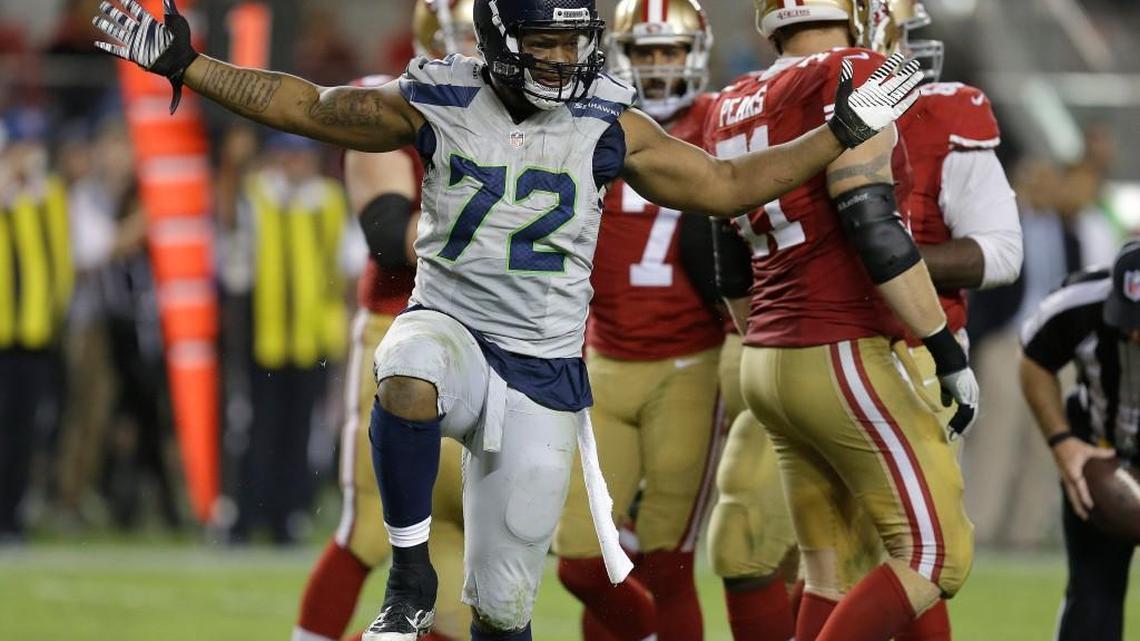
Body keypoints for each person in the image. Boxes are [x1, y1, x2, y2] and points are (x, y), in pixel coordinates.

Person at [92, 1, 926, 638]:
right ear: (498, 39)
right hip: (453, 326)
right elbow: (305, 104)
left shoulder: (604, 116)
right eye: (546, 43)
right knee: (408, 368)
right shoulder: (438, 96)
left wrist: (838, 135)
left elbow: (725, 186)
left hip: (546, 373)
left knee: (504, 607)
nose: (565, 59)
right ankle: (409, 575)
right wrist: (191, 65)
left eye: (573, 41)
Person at [703, 1, 983, 640]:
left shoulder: (732, 98)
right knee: (937, 555)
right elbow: (873, 225)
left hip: (766, 356)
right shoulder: (856, 71)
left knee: (826, 572)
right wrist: (945, 349)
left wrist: (768, 342)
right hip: (837, 347)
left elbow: (728, 265)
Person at [292, 2, 476, 640]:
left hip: (487, 343)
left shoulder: (530, 119)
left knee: (475, 549)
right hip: (396, 333)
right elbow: (385, 233)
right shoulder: (391, 103)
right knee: (370, 530)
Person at [551, 1, 723, 640]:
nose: (656, 65)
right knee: (584, 561)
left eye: (668, 51)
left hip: (691, 364)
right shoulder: (594, 120)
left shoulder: (720, 120)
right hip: (603, 360)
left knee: (667, 562)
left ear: (694, 53)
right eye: (645, 51)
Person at [227, 131, 350, 545]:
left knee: (299, 432)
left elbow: (345, 267)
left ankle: (286, 518)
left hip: (313, 335)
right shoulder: (256, 195)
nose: (296, 166)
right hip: (264, 334)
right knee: (258, 429)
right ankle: (246, 517)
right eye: (288, 158)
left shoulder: (329, 202)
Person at [1019, 241, 1140, 641]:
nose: (1137, 333)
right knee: (1093, 599)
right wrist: (1062, 442)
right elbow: (1035, 360)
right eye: (1129, 319)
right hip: (1101, 451)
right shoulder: (1080, 303)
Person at [0, 107, 73, 542]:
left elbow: (61, 260)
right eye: (24, 146)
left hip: (37, 334)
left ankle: (13, 514)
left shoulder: (50, 196)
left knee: (24, 431)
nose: (32, 156)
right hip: (3, 334)